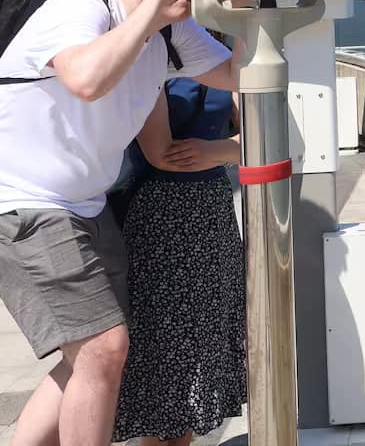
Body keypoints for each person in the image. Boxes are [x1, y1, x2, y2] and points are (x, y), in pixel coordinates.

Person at [0, 0, 238, 446]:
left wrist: (253, 6)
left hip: (80, 202)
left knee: (93, 351)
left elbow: (238, 76)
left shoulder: (174, 29)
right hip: (10, 195)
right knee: (103, 347)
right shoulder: (82, 8)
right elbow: (85, 79)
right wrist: (153, 11)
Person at [112, 52, 246, 445]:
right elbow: (162, 154)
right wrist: (229, 149)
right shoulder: (145, 55)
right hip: (156, 214)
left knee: (200, 340)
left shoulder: (222, 59)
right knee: (161, 341)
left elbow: (270, 134)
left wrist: (213, 152)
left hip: (210, 213)